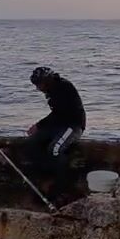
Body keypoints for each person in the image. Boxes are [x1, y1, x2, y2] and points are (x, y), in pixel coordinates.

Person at [25, 66, 87, 197]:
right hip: (58, 125)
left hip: (73, 125)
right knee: (32, 142)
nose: (38, 88)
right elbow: (56, 115)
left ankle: (62, 185)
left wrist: (39, 125)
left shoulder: (64, 87)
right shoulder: (51, 91)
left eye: (39, 85)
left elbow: (60, 113)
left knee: (55, 149)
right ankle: (45, 175)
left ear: (47, 81)